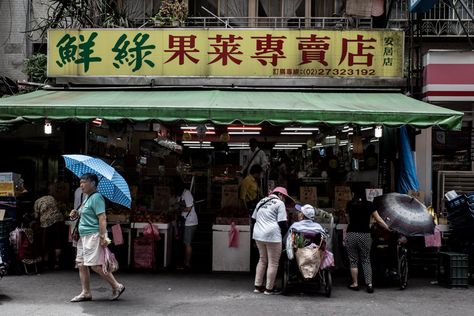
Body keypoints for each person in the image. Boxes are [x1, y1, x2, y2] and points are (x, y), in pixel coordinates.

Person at [69, 173, 125, 302]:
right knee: (81, 264)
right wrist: (76, 213)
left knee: (95, 265)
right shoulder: (87, 197)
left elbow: (102, 217)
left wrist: (102, 236)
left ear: (93, 183)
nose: (81, 185)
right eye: (80, 182)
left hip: (93, 235)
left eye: (83, 182)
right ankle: (86, 292)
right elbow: (87, 215)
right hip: (83, 236)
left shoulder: (97, 197)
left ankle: (117, 286)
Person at [345, 187, 390, 294]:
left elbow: (347, 220)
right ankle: (369, 284)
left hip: (351, 234)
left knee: (353, 260)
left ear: (353, 194)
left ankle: (355, 284)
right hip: (365, 234)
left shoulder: (350, 204)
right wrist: (388, 227)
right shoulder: (370, 204)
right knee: (366, 260)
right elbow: (378, 220)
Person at [251, 187, 291, 295]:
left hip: (258, 234)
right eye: (285, 197)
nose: (284, 200)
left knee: (262, 260)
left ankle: (258, 286)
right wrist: (285, 235)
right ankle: (269, 288)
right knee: (273, 262)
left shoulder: (261, 201)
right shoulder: (279, 203)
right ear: (281, 195)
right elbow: (282, 223)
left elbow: (253, 218)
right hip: (272, 235)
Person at [34, 195, 65, 270]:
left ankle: (46, 263)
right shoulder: (51, 197)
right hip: (58, 220)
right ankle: (57, 263)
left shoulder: (37, 202)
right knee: (57, 242)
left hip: (46, 223)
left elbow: (36, 216)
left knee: (46, 243)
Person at [173, 178, 198, 270]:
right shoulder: (180, 195)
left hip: (190, 222)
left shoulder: (187, 193)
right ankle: (184, 262)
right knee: (185, 242)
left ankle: (187, 264)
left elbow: (189, 208)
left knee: (187, 243)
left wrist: (179, 210)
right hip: (185, 221)